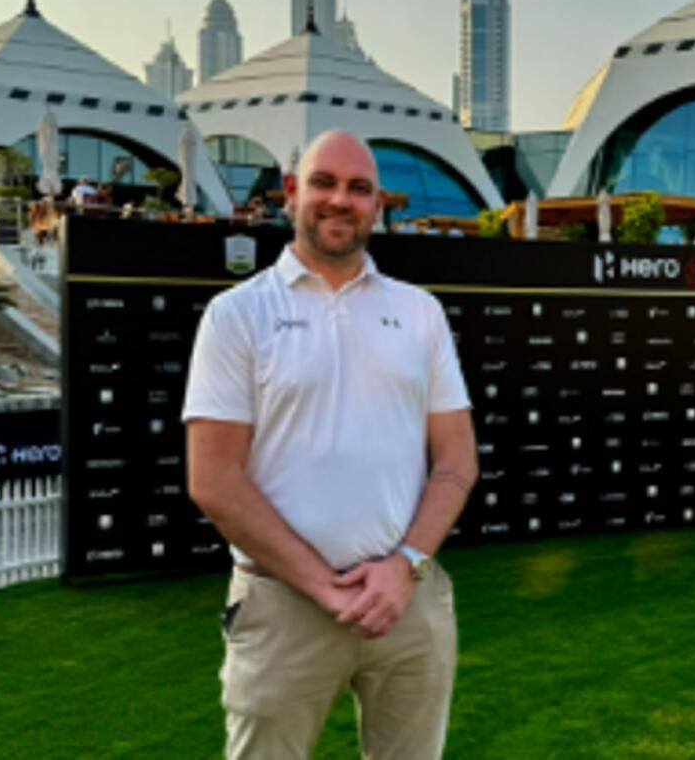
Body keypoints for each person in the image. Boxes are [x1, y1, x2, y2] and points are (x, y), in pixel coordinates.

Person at [182, 129, 478, 760]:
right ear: (292, 192)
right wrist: (323, 585)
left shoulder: (420, 312)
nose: (340, 200)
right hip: (282, 606)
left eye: (359, 188)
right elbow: (213, 479)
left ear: (378, 204)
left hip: (408, 601)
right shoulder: (236, 315)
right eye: (324, 182)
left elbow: (457, 458)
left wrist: (405, 564)